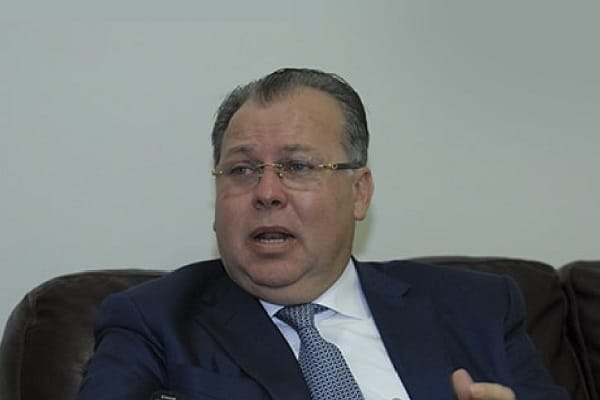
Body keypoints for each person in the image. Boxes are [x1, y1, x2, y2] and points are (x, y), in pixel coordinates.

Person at [76, 68, 569, 400]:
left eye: (298, 166)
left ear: (359, 192)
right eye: (242, 170)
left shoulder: (478, 308)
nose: (267, 192)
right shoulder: (152, 321)